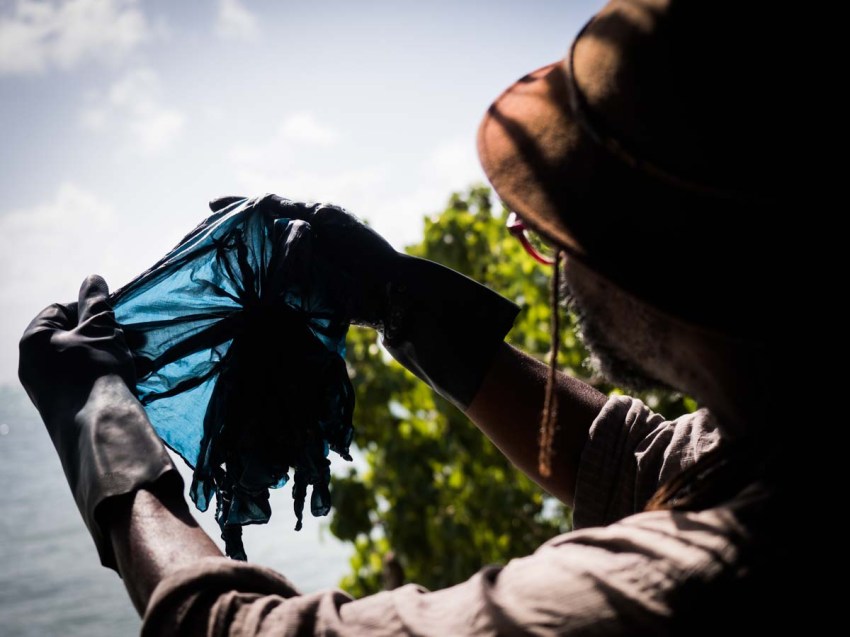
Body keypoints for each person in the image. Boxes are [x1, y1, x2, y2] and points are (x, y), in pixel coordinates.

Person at [19, 0, 800, 634]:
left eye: (556, 231)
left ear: (656, 254)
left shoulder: (699, 576)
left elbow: (231, 629)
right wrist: (397, 297)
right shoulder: (763, 432)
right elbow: (629, 461)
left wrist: (107, 443)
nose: (549, 255)